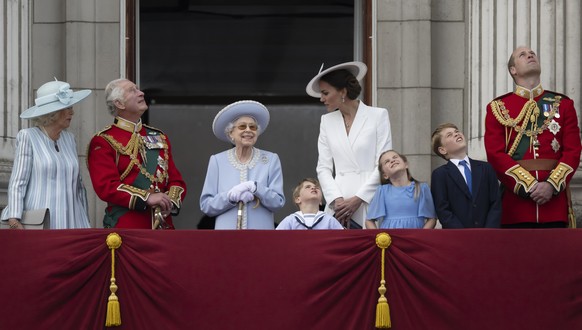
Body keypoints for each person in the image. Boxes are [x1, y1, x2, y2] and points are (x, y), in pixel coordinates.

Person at [484, 46, 582, 228]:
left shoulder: (563, 104)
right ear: (513, 70)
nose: (530, 55)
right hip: (516, 208)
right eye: (522, 55)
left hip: (554, 205)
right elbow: (495, 154)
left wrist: (551, 185)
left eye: (532, 53)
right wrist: (529, 186)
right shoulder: (498, 107)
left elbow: (573, 151)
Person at [87, 79, 187, 229]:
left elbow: (176, 181)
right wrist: (147, 198)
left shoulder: (159, 136)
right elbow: (106, 186)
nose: (141, 93)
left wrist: (169, 202)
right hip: (127, 226)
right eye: (132, 90)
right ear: (119, 104)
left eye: (138, 89)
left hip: (163, 226)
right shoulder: (103, 141)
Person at [306, 61, 392, 229]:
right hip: (339, 205)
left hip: (370, 199)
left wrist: (359, 198)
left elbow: (383, 163)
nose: (322, 99)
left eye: (325, 93)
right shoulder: (326, 121)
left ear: (343, 92)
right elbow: (323, 167)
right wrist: (336, 200)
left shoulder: (378, 115)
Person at [1, 80, 91, 229]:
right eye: (67, 107)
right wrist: (15, 219)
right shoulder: (28, 136)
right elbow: (18, 181)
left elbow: (79, 186)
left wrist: (85, 221)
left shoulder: (69, 139)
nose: (72, 112)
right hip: (40, 221)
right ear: (53, 112)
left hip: (72, 220)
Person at [200, 100, 285, 229]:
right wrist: (229, 197)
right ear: (231, 133)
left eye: (253, 127)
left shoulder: (271, 159)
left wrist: (257, 188)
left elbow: (278, 202)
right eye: (242, 126)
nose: (248, 130)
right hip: (227, 236)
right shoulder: (217, 161)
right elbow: (206, 206)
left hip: (261, 235)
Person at [430, 123, 502, 228]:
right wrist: (463, 235)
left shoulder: (486, 168)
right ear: (442, 150)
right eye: (449, 135)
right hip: (458, 238)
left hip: (488, 235)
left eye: (457, 131)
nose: (456, 134)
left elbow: (495, 203)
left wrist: (489, 231)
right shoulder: (440, 174)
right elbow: (443, 210)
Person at [365, 150, 436, 229]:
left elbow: (432, 219)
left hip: (414, 237)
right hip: (389, 238)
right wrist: (379, 237)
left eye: (395, 157)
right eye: (387, 161)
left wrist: (420, 237)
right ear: (385, 175)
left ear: (406, 164)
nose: (392, 160)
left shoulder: (421, 188)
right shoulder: (382, 191)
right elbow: (369, 221)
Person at [276, 178, 343, 230]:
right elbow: (276, 238)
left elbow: (342, 239)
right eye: (308, 187)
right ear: (298, 199)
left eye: (317, 187)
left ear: (320, 201)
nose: (313, 188)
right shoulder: (290, 220)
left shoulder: (329, 220)